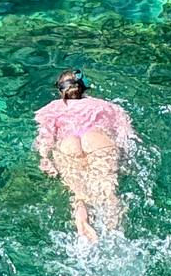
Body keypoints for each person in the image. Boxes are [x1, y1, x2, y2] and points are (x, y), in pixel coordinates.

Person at [34, 69, 136, 245]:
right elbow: (127, 135)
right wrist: (126, 159)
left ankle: (84, 228)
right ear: (84, 87)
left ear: (60, 90)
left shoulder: (49, 109)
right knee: (108, 193)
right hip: (98, 140)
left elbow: (45, 137)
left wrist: (45, 159)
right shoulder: (107, 106)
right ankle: (115, 240)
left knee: (80, 196)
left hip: (67, 145)